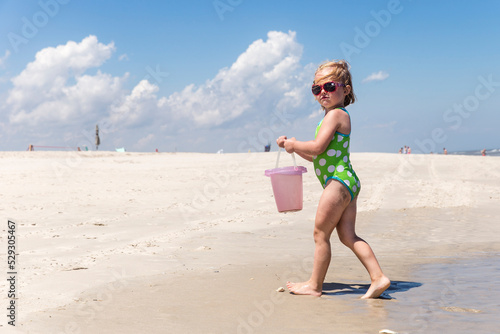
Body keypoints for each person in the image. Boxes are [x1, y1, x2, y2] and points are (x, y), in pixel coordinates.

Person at [276, 60, 390, 299]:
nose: (323, 93)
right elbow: (317, 156)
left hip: (338, 183)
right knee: (348, 236)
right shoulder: (334, 116)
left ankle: (314, 285)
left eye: (329, 86)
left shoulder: (336, 115)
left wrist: (294, 143)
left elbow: (317, 147)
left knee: (320, 234)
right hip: (346, 181)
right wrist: (294, 149)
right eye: (317, 89)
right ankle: (378, 277)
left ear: (346, 89)